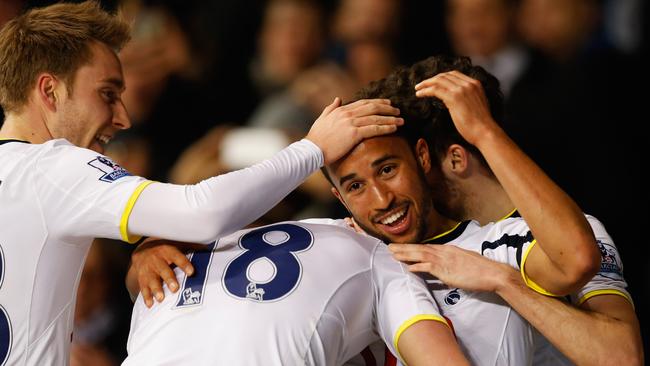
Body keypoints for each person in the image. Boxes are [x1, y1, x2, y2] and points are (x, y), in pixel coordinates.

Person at [0, 2, 404, 364]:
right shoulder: (51, 166)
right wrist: (313, 148)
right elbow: (200, 212)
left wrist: (150, 240)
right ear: (49, 91)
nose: (123, 117)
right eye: (107, 93)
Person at [132, 56, 601, 365]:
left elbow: (577, 261)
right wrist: (152, 248)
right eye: (356, 185)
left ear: (421, 158)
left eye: (388, 170)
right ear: (338, 196)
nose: (381, 199)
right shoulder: (342, 246)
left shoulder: (494, 246)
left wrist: (482, 132)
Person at [390, 63, 643, 364]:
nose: (398, 189)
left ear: (455, 159)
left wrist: (505, 281)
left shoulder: (573, 233)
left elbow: (621, 357)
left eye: (416, 163)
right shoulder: (416, 245)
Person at [122, 220, 469, 365]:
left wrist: (146, 247)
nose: (381, 196)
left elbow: (135, 285)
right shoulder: (380, 257)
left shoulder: (200, 236)